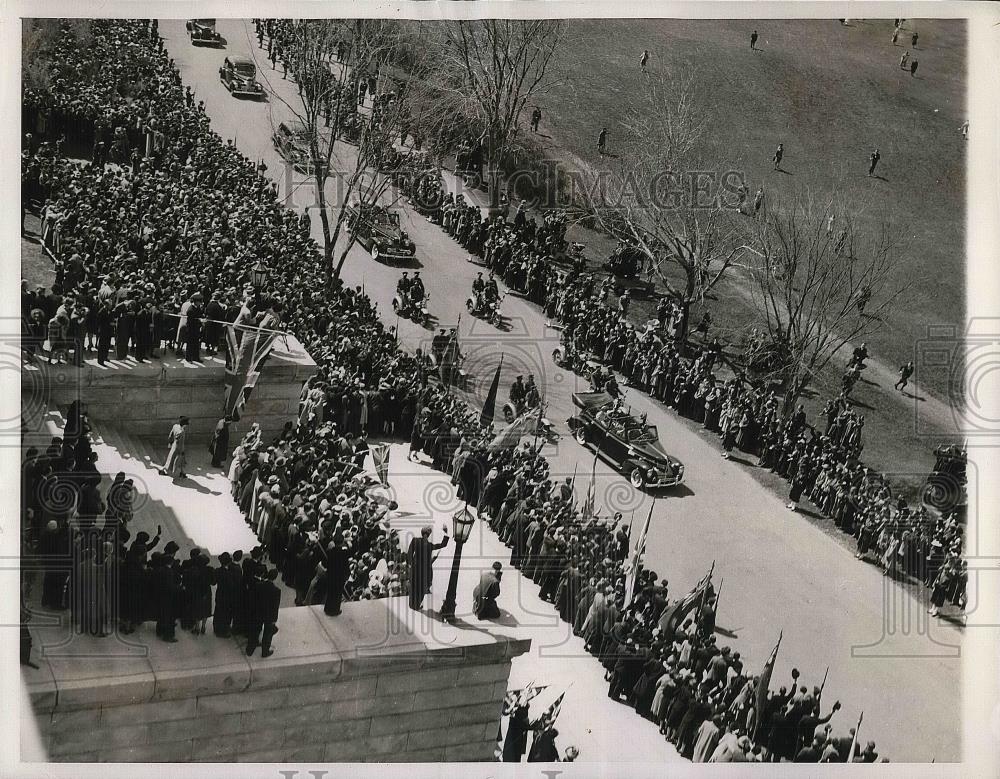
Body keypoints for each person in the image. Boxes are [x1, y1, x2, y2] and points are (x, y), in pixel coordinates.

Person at [406, 524, 449, 610]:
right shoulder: (429, 545)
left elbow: (409, 554)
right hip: (424, 572)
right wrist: (446, 533)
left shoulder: (415, 541)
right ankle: (416, 605)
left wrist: (410, 564)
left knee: (414, 587)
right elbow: (443, 545)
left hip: (415, 569)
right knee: (421, 588)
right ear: (429, 535)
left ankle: (412, 604)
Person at [246, 568, 281, 657]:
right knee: (267, 634)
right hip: (269, 615)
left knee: (255, 631)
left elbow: (253, 599)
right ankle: (265, 651)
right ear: (275, 578)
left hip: (257, 612)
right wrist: (274, 619)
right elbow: (275, 607)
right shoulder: (276, 590)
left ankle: (250, 650)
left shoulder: (258, 585)